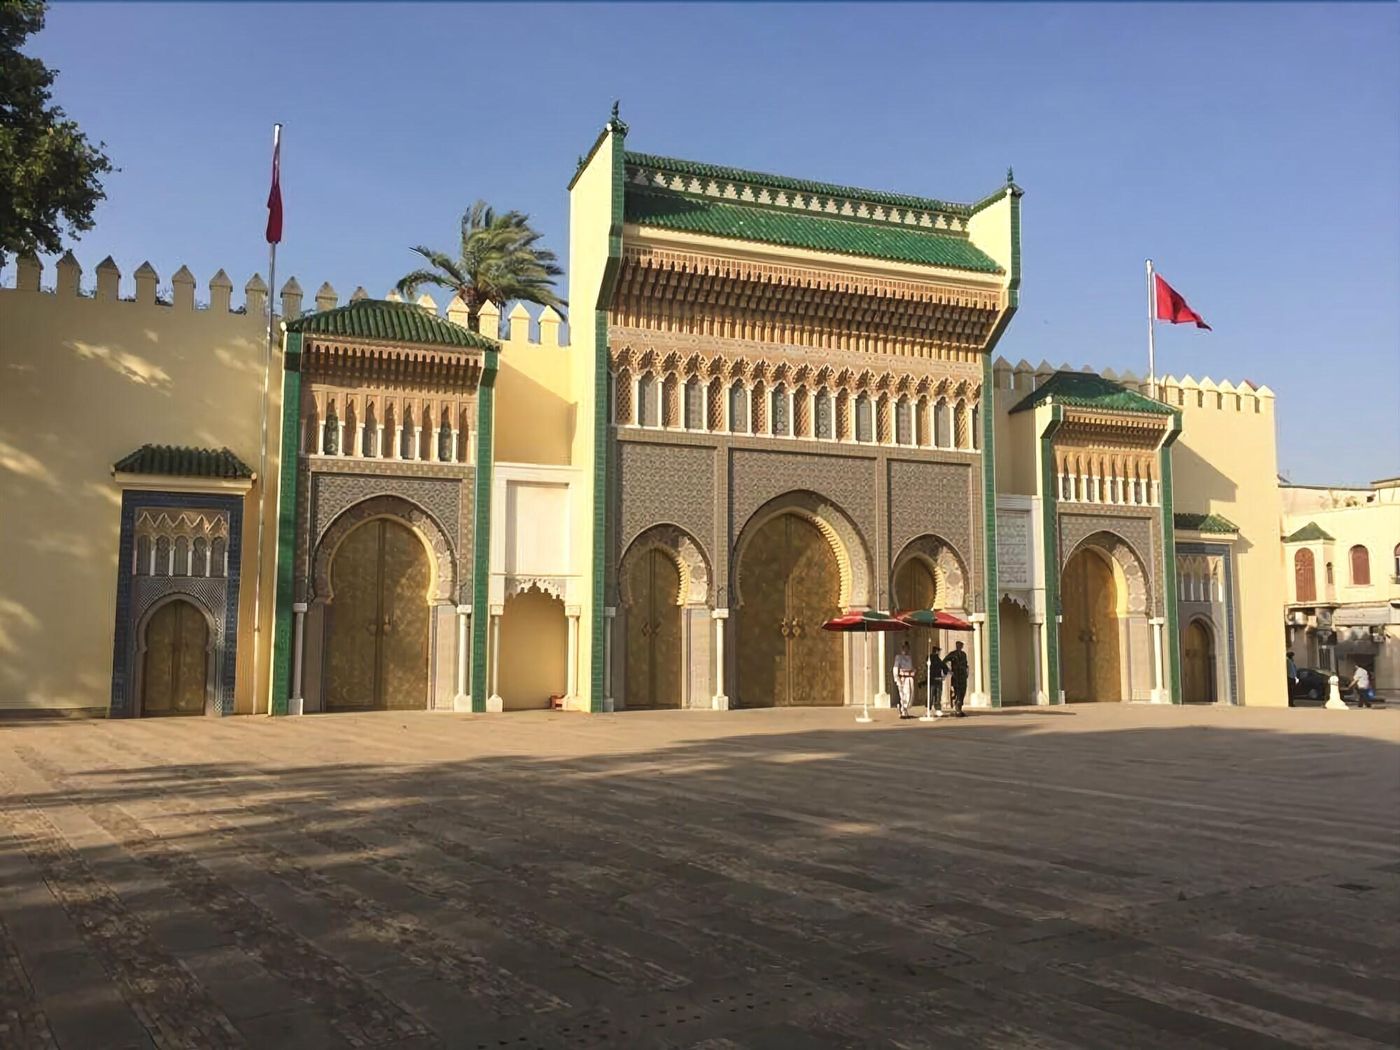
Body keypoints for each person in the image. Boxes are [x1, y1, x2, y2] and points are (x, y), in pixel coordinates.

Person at [946, 641, 969, 717]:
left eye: (960, 646)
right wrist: (949, 670)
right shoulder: (952, 654)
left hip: (963, 676)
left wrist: (966, 672)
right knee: (957, 692)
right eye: (958, 645)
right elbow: (944, 661)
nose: (959, 647)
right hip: (956, 676)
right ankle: (957, 709)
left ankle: (960, 708)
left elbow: (966, 664)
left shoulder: (964, 654)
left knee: (963, 692)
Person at [893, 641, 916, 718]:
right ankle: (903, 710)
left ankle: (906, 710)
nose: (906, 650)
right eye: (904, 648)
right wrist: (897, 678)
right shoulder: (898, 657)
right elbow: (895, 668)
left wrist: (913, 670)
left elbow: (910, 667)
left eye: (907, 648)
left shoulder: (909, 657)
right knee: (903, 695)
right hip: (903, 678)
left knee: (910, 695)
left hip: (910, 678)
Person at [927, 645, 947, 717]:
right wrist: (944, 675)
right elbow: (944, 667)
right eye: (938, 651)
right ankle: (930, 709)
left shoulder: (937, 659)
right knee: (932, 694)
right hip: (932, 680)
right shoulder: (931, 658)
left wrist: (943, 675)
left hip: (937, 679)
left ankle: (935, 709)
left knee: (937, 695)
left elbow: (944, 667)